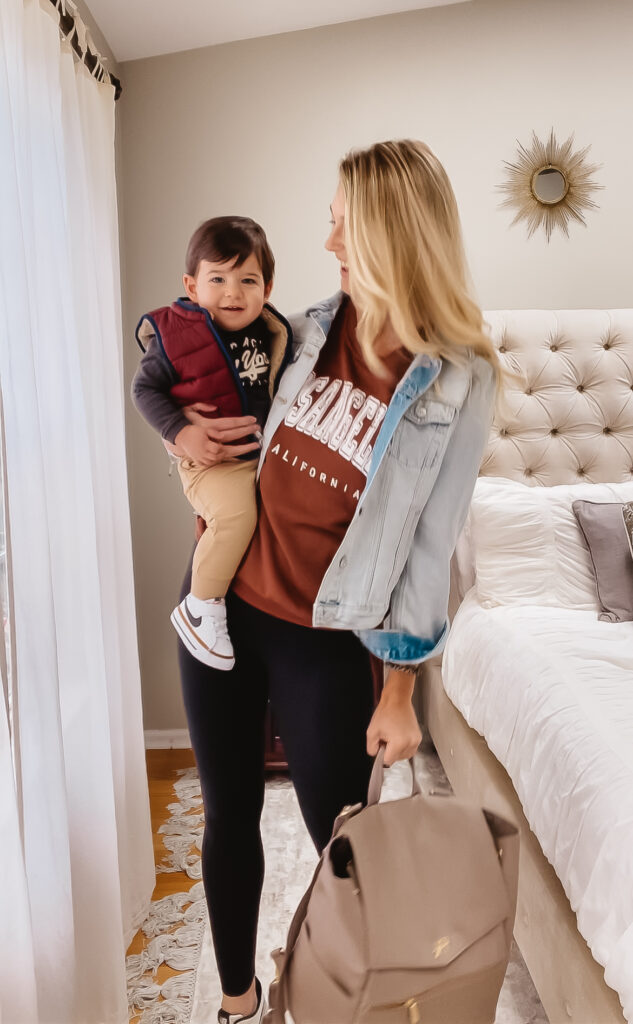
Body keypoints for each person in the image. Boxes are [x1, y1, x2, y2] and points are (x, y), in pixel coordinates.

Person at [169, 140, 501, 1024]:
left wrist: (399, 690)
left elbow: (428, 549)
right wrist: (180, 435)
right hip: (225, 615)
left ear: (391, 234)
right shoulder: (304, 329)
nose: (328, 243)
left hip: (327, 637)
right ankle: (239, 1005)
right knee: (228, 816)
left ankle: (346, 1000)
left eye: (341, 224)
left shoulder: (458, 376)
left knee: (346, 847)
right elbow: (197, 384)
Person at [132, 216, 293, 669]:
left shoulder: (273, 330)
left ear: (268, 286)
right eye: (217, 278)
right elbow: (144, 391)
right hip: (209, 463)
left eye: (248, 280)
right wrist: (181, 433)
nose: (233, 293)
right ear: (192, 283)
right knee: (236, 515)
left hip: (259, 459)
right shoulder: (177, 336)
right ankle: (202, 606)